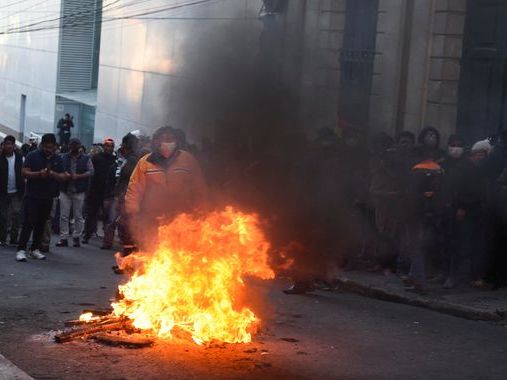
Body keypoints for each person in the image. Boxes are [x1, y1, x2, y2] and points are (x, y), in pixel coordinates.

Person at [125, 126, 208, 250]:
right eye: (163, 139)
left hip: (181, 217)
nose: (167, 142)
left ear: (177, 141)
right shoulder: (145, 162)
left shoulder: (187, 160)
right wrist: (132, 211)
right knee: (153, 249)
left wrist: (202, 209)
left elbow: (198, 187)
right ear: (156, 141)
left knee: (179, 251)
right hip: (152, 217)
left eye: (171, 138)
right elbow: (135, 188)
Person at [16, 133, 65, 262]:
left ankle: (35, 249)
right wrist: (38, 174)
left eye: (51, 147)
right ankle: (21, 250)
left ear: (55, 146)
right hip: (32, 195)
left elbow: (64, 176)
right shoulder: (33, 155)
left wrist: (53, 174)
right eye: (46, 147)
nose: (48, 150)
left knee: (41, 224)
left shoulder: (58, 158)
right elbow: (24, 172)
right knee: (29, 222)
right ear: (42, 145)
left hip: (48, 196)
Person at [103, 133, 140, 252]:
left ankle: (129, 256)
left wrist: (121, 195)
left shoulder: (133, 160)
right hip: (123, 196)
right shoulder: (127, 159)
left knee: (126, 226)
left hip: (126, 197)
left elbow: (129, 179)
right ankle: (126, 256)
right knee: (121, 224)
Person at [56, 138, 94, 248]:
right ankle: (64, 238)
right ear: (69, 146)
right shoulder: (63, 157)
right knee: (64, 215)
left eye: (75, 145)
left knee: (78, 216)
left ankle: (76, 237)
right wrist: (64, 174)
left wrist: (79, 176)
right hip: (65, 189)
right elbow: (58, 169)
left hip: (79, 190)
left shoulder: (86, 158)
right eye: (72, 145)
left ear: (79, 146)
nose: (73, 147)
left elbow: (91, 171)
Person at [83, 138, 116, 243]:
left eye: (111, 146)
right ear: (104, 147)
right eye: (107, 146)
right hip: (95, 190)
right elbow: (90, 174)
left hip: (108, 192)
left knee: (107, 216)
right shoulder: (96, 158)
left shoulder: (114, 160)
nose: (109, 148)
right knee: (91, 214)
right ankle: (86, 235)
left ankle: (107, 240)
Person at [0, 136, 25, 246]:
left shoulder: (20, 158)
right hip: (3, 192)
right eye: (6, 144)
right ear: (3, 145)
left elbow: (24, 172)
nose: (8, 146)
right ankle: (2, 238)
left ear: (14, 145)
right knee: (3, 216)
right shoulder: (0, 158)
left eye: (10, 144)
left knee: (16, 214)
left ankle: (14, 238)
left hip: (17, 191)